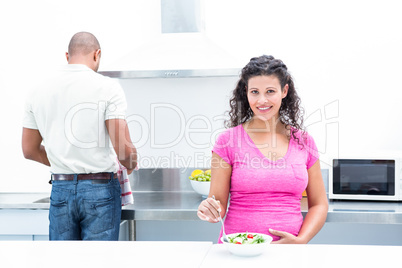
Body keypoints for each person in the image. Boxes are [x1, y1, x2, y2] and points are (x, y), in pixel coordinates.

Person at [197, 55, 328, 244]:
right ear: (246, 92)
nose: (262, 100)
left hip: (288, 254)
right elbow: (218, 205)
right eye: (255, 92)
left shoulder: (304, 142)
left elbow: (319, 204)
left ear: (284, 91)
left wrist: (301, 240)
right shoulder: (227, 141)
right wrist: (209, 210)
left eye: (270, 91)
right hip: (238, 250)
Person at [22, 32, 137, 240]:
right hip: (100, 190)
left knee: (63, 261)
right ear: (97, 54)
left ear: (67, 56)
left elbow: (29, 150)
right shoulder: (108, 87)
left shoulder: (37, 91)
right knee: (98, 262)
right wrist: (131, 162)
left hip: (60, 189)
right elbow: (124, 152)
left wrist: (65, 160)